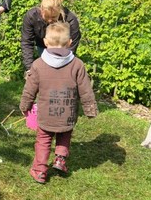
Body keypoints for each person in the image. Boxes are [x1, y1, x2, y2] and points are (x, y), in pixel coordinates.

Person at [19, 22, 97, 184]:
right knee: (64, 135)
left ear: (45, 42)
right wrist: (90, 109)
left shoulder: (38, 65)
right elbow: (86, 90)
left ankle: (39, 170)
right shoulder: (78, 65)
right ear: (69, 43)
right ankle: (60, 160)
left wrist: (25, 105)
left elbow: (29, 89)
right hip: (68, 113)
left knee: (43, 140)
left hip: (46, 114)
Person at [21, 0, 81, 73]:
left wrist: (64, 65)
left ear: (60, 11)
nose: (49, 21)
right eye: (46, 17)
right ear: (41, 10)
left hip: (64, 49)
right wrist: (29, 69)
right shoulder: (32, 16)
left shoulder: (70, 20)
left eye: (53, 18)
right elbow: (26, 42)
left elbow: (72, 46)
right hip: (42, 47)